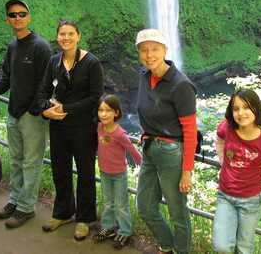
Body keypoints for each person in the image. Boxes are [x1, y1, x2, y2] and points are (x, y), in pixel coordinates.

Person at [0, 0, 52, 229]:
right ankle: (15, 200)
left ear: (28, 17)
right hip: (13, 113)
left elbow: (46, 83)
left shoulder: (41, 46)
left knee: (31, 163)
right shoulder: (13, 46)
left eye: (21, 14)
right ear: (7, 19)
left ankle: (26, 208)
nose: (17, 18)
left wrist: (34, 109)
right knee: (17, 161)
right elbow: (6, 78)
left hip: (32, 116)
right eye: (13, 15)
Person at [37, 20, 104, 241]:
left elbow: (95, 98)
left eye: (70, 34)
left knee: (85, 173)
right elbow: (43, 91)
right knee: (60, 170)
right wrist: (46, 110)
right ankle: (63, 213)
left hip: (83, 127)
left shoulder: (91, 63)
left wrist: (65, 108)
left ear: (78, 36)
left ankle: (84, 219)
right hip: (58, 127)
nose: (66, 38)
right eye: (62, 34)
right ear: (57, 37)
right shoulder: (53, 61)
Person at [135, 29, 198, 254]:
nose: (149, 54)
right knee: (144, 207)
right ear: (139, 53)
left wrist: (187, 171)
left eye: (155, 49)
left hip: (172, 152)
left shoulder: (181, 86)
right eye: (144, 50)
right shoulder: (144, 76)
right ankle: (168, 244)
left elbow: (190, 130)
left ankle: (181, 251)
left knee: (177, 212)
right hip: (149, 147)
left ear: (165, 50)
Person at [213, 89, 261, 254]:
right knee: (222, 246)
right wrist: (222, 159)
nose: (241, 113)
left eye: (246, 107)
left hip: (250, 202)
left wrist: (253, 171)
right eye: (236, 108)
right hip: (225, 196)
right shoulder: (227, 128)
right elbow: (218, 140)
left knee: (244, 248)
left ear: (256, 109)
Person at [93, 94, 142, 249]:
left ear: (116, 113)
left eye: (108, 110)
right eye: (100, 110)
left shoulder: (120, 134)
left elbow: (132, 151)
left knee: (121, 204)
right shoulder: (99, 127)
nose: (103, 114)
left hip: (119, 174)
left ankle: (125, 231)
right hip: (104, 171)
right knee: (107, 201)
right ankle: (108, 226)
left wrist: (142, 166)